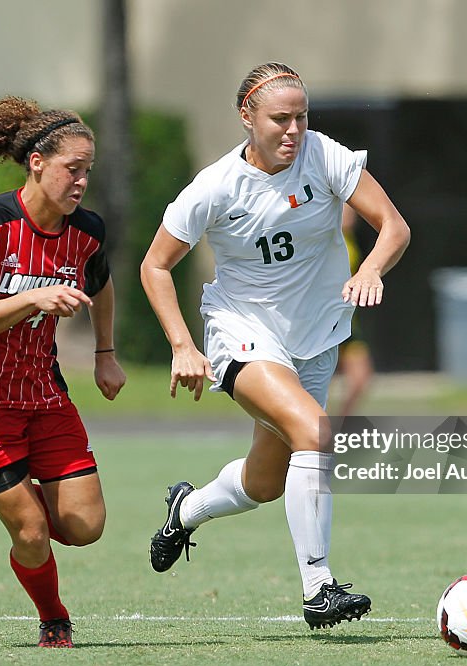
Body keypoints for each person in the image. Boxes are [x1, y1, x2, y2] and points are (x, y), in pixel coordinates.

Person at [141, 62, 410, 629]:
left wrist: (374, 271)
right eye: (279, 119)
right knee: (315, 433)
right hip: (241, 332)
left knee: (265, 481)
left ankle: (185, 511)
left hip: (316, 338)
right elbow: (155, 266)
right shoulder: (214, 187)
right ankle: (319, 588)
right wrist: (183, 346)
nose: (293, 130)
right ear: (247, 118)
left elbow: (393, 225)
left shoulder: (324, 154)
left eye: (301, 116)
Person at [0, 96, 126, 648]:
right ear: (37, 163)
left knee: (85, 527)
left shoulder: (86, 231)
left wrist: (105, 353)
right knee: (34, 533)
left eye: (88, 170)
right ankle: (54, 617)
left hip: (42, 393)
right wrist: (36, 297)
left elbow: (102, 283)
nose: (82, 181)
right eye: (73, 168)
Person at [332, 205, 376, 417]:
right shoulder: (322, 240)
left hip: (346, 322)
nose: (350, 215)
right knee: (310, 385)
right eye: (344, 210)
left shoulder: (349, 240)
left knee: (360, 378)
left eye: (352, 210)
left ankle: (337, 427)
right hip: (320, 323)